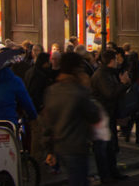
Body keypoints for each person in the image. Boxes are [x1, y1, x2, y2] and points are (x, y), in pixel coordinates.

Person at [42, 52, 102, 186]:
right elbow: (94, 115)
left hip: (60, 145)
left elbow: (48, 123)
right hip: (77, 145)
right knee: (79, 180)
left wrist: (49, 149)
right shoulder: (78, 91)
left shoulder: (52, 90)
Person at [91, 49, 130, 180]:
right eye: (116, 59)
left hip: (109, 114)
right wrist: (123, 84)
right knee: (103, 147)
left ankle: (112, 172)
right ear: (111, 61)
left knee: (110, 146)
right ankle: (105, 174)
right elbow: (110, 94)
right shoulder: (102, 75)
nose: (118, 62)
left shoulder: (109, 74)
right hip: (102, 115)